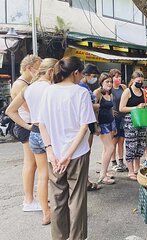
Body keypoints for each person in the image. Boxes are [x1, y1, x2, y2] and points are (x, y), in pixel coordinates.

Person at [39, 56, 96, 240]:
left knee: (57, 199)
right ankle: (76, 238)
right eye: (81, 74)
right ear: (76, 72)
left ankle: (59, 237)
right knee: (77, 198)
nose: (82, 78)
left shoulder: (49, 92)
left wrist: (50, 151)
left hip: (54, 154)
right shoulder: (80, 93)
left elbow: (42, 124)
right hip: (77, 154)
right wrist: (69, 154)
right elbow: (84, 127)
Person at [6, 58, 57, 225]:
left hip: (34, 133)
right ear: (50, 72)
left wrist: (29, 126)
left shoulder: (28, 89)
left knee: (42, 175)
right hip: (50, 134)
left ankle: (45, 213)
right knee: (57, 175)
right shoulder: (51, 88)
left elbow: (10, 111)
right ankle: (61, 209)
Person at [10, 54, 42, 211]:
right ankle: (28, 200)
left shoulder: (25, 83)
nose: (40, 71)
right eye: (38, 68)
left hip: (27, 125)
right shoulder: (21, 85)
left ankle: (32, 197)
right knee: (30, 163)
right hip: (26, 125)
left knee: (34, 163)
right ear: (29, 68)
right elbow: (30, 107)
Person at [119, 70, 147, 181]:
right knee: (131, 144)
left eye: (141, 81)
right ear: (132, 80)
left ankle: (137, 168)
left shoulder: (143, 91)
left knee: (141, 143)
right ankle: (130, 171)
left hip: (141, 120)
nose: (139, 83)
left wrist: (145, 105)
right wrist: (136, 107)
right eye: (137, 81)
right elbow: (121, 108)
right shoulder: (127, 91)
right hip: (130, 120)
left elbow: (142, 104)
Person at [79, 63, 101, 191]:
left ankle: (85, 179)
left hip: (90, 123)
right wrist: (97, 106)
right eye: (93, 76)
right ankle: (84, 181)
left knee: (87, 152)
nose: (94, 79)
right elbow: (85, 106)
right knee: (84, 152)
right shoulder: (80, 87)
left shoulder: (86, 86)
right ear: (85, 74)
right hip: (85, 123)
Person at [94, 73, 116, 185]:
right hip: (102, 123)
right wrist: (96, 124)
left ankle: (105, 171)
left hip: (111, 122)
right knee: (110, 147)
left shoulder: (110, 94)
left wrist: (114, 125)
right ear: (101, 82)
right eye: (107, 81)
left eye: (111, 82)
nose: (109, 84)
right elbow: (92, 107)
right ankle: (102, 175)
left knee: (106, 149)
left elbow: (111, 108)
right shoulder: (97, 93)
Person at [109, 68, 127, 172]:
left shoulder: (123, 87)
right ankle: (113, 161)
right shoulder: (109, 89)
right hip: (114, 118)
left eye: (119, 76)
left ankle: (121, 160)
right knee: (114, 140)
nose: (118, 79)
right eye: (116, 77)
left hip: (123, 116)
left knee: (121, 140)